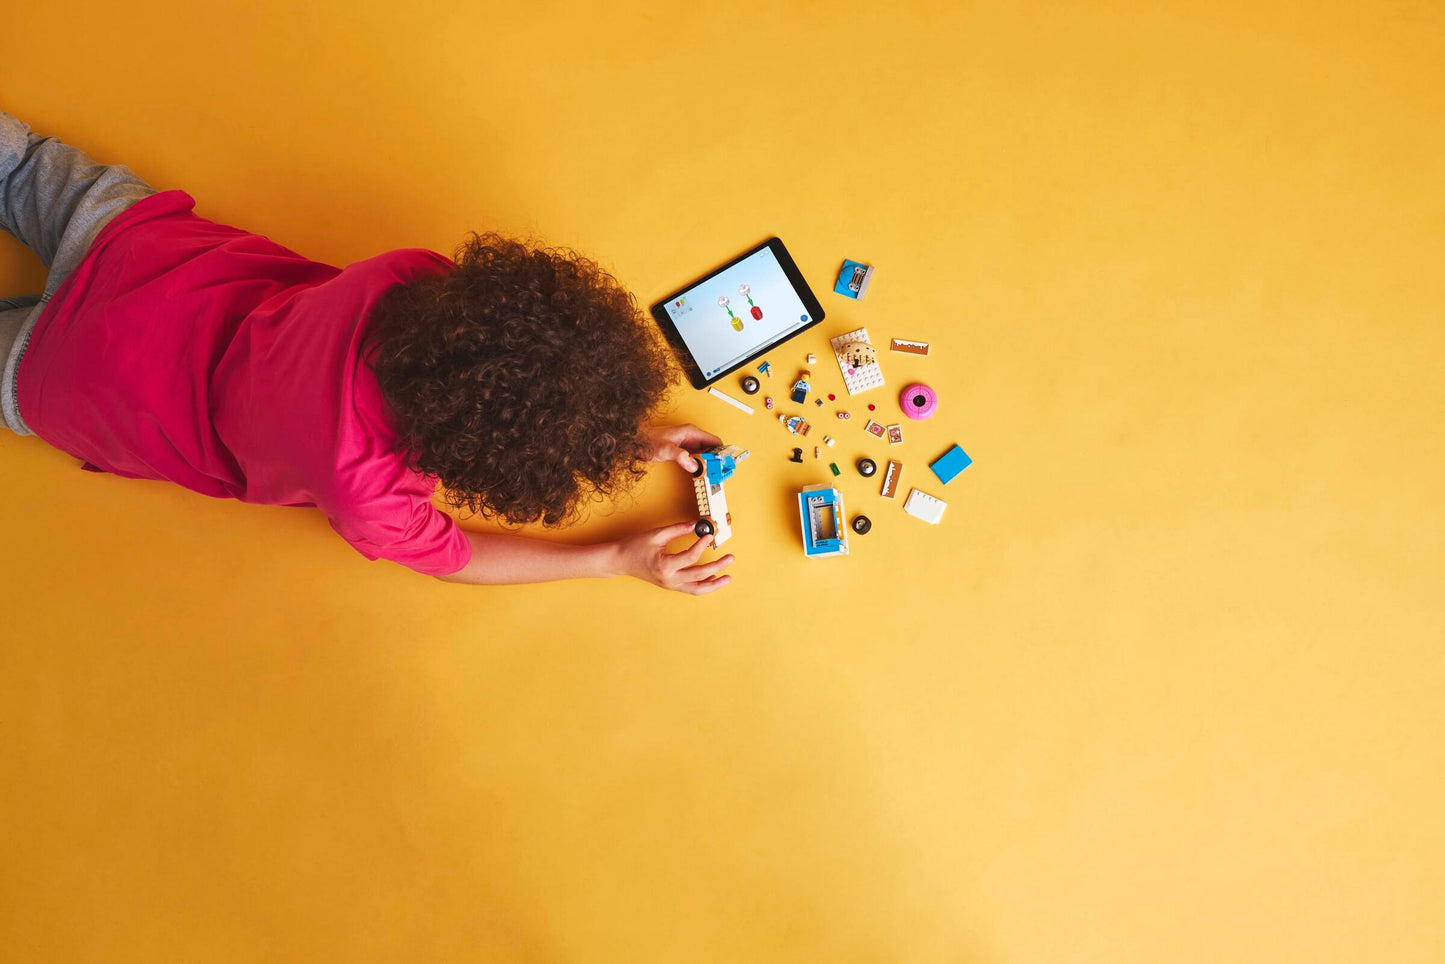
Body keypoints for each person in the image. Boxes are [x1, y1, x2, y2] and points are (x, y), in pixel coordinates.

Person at [0, 110, 734, 594]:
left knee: (21, 165)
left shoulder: (407, 280)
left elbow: (514, 359)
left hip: (128, 246)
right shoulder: (367, 494)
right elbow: (461, 558)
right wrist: (612, 555)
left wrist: (615, 430)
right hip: (67, 380)